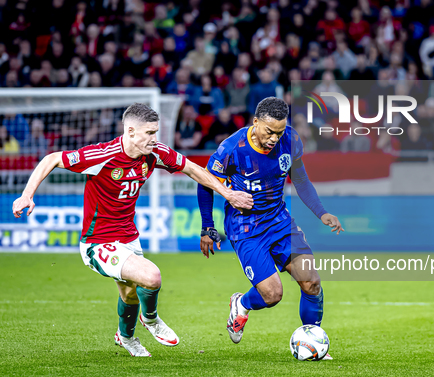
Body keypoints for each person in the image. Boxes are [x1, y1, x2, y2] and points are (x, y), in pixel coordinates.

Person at [12, 103, 253, 357]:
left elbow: (192, 169)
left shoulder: (155, 153)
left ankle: (125, 337)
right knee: (151, 276)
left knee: (130, 294)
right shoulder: (102, 155)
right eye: (149, 133)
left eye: (155, 132)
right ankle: (151, 320)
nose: (154, 139)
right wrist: (27, 195)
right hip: (98, 243)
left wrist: (228, 193)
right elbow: (52, 159)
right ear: (130, 132)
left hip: (129, 238)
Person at [197, 97, 343, 359]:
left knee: (311, 282)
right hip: (245, 226)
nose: (275, 138)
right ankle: (241, 303)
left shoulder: (291, 139)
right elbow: (206, 183)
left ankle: (312, 339)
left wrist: (321, 212)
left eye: (280, 131)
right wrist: (208, 227)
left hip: (279, 221)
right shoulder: (232, 148)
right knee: (273, 294)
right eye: (269, 131)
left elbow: (299, 178)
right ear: (255, 123)